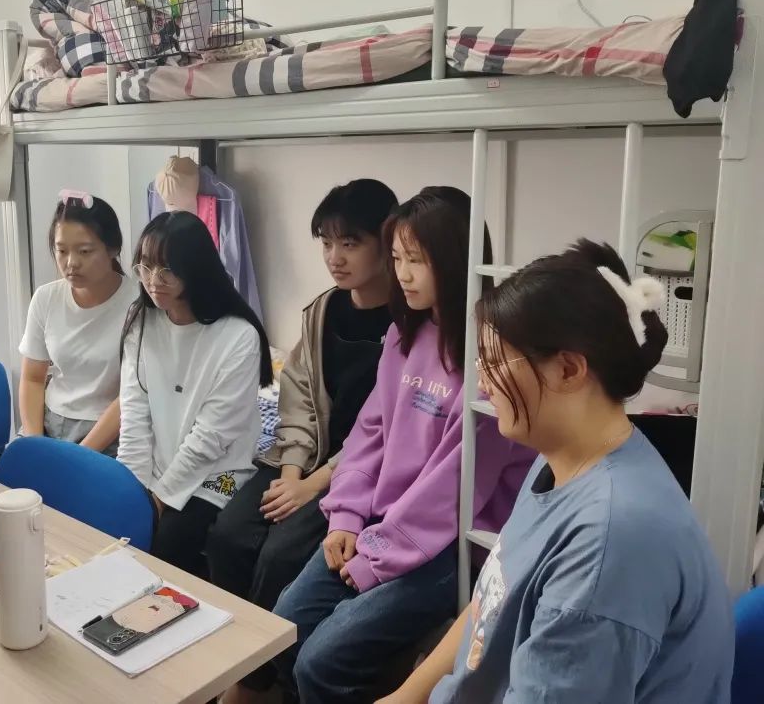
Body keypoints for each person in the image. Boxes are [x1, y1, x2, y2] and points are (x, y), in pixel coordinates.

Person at [380, 240, 734, 704]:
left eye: (495, 362)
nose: (482, 381)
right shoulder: (561, 459)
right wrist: (404, 696)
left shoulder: (612, 539)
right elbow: (491, 602)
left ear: (568, 370)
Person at [271, 186, 534, 704]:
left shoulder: (492, 360)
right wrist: (346, 516)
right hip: (380, 524)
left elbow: (453, 490)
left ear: (455, 261)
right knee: (283, 626)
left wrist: (377, 555)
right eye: (396, 259)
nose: (403, 274)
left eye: (416, 260)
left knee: (320, 661)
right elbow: (370, 434)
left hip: (447, 547)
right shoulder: (404, 335)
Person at [207, 179, 398, 701]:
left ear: (387, 243)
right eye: (327, 243)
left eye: (350, 243)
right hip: (303, 458)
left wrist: (312, 486)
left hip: (356, 474)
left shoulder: (407, 326)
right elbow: (297, 400)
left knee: (280, 554)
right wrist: (292, 471)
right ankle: (230, 654)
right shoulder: (322, 311)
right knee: (226, 532)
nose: (335, 257)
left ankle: (255, 682)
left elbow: (383, 432)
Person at [118, 211, 273, 578]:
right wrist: (131, 488)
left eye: (167, 270)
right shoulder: (142, 319)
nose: (153, 280)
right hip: (157, 467)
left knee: (169, 542)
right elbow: (134, 412)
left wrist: (159, 499)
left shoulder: (238, 336)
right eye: (145, 267)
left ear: (195, 269)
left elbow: (211, 437)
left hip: (220, 473)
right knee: (119, 528)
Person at [18, 191, 139, 455]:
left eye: (85, 251)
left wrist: (77, 458)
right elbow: (33, 379)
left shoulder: (139, 304)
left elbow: (131, 395)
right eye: (61, 251)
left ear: (113, 249)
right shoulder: (46, 298)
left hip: (109, 433)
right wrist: (35, 444)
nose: (71, 263)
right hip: (48, 423)